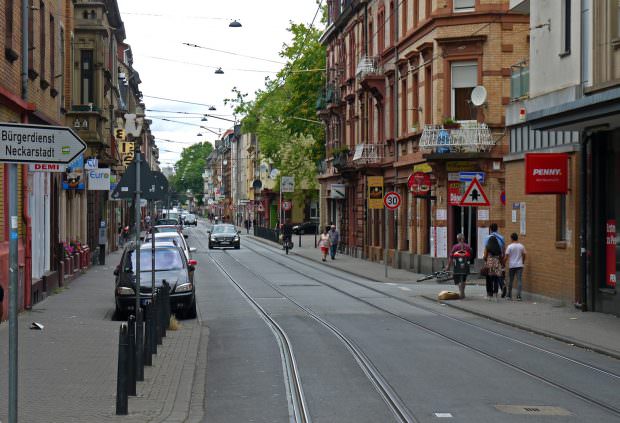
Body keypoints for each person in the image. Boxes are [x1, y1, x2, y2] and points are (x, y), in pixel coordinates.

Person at [446, 233, 472, 299]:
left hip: (457, 266)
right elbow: (470, 256)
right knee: (463, 279)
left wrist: (448, 266)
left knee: (457, 280)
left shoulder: (455, 247)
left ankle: (461, 292)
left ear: (458, 239)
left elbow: (451, 257)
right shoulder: (467, 247)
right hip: (465, 266)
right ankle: (462, 292)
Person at [484, 223, 507, 297]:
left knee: (490, 276)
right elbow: (503, 249)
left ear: (490, 229)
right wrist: (503, 260)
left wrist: (485, 259)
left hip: (490, 259)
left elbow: (486, 250)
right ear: (497, 229)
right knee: (498, 274)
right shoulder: (501, 238)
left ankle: (490, 293)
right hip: (498, 258)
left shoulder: (487, 238)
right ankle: (501, 287)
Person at [504, 233, 526, 300]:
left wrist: (503, 263)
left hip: (512, 265)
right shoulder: (521, 246)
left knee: (510, 280)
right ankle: (519, 296)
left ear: (512, 238)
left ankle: (509, 295)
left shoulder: (510, 246)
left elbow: (506, 257)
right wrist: (523, 261)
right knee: (519, 280)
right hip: (519, 265)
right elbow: (524, 254)